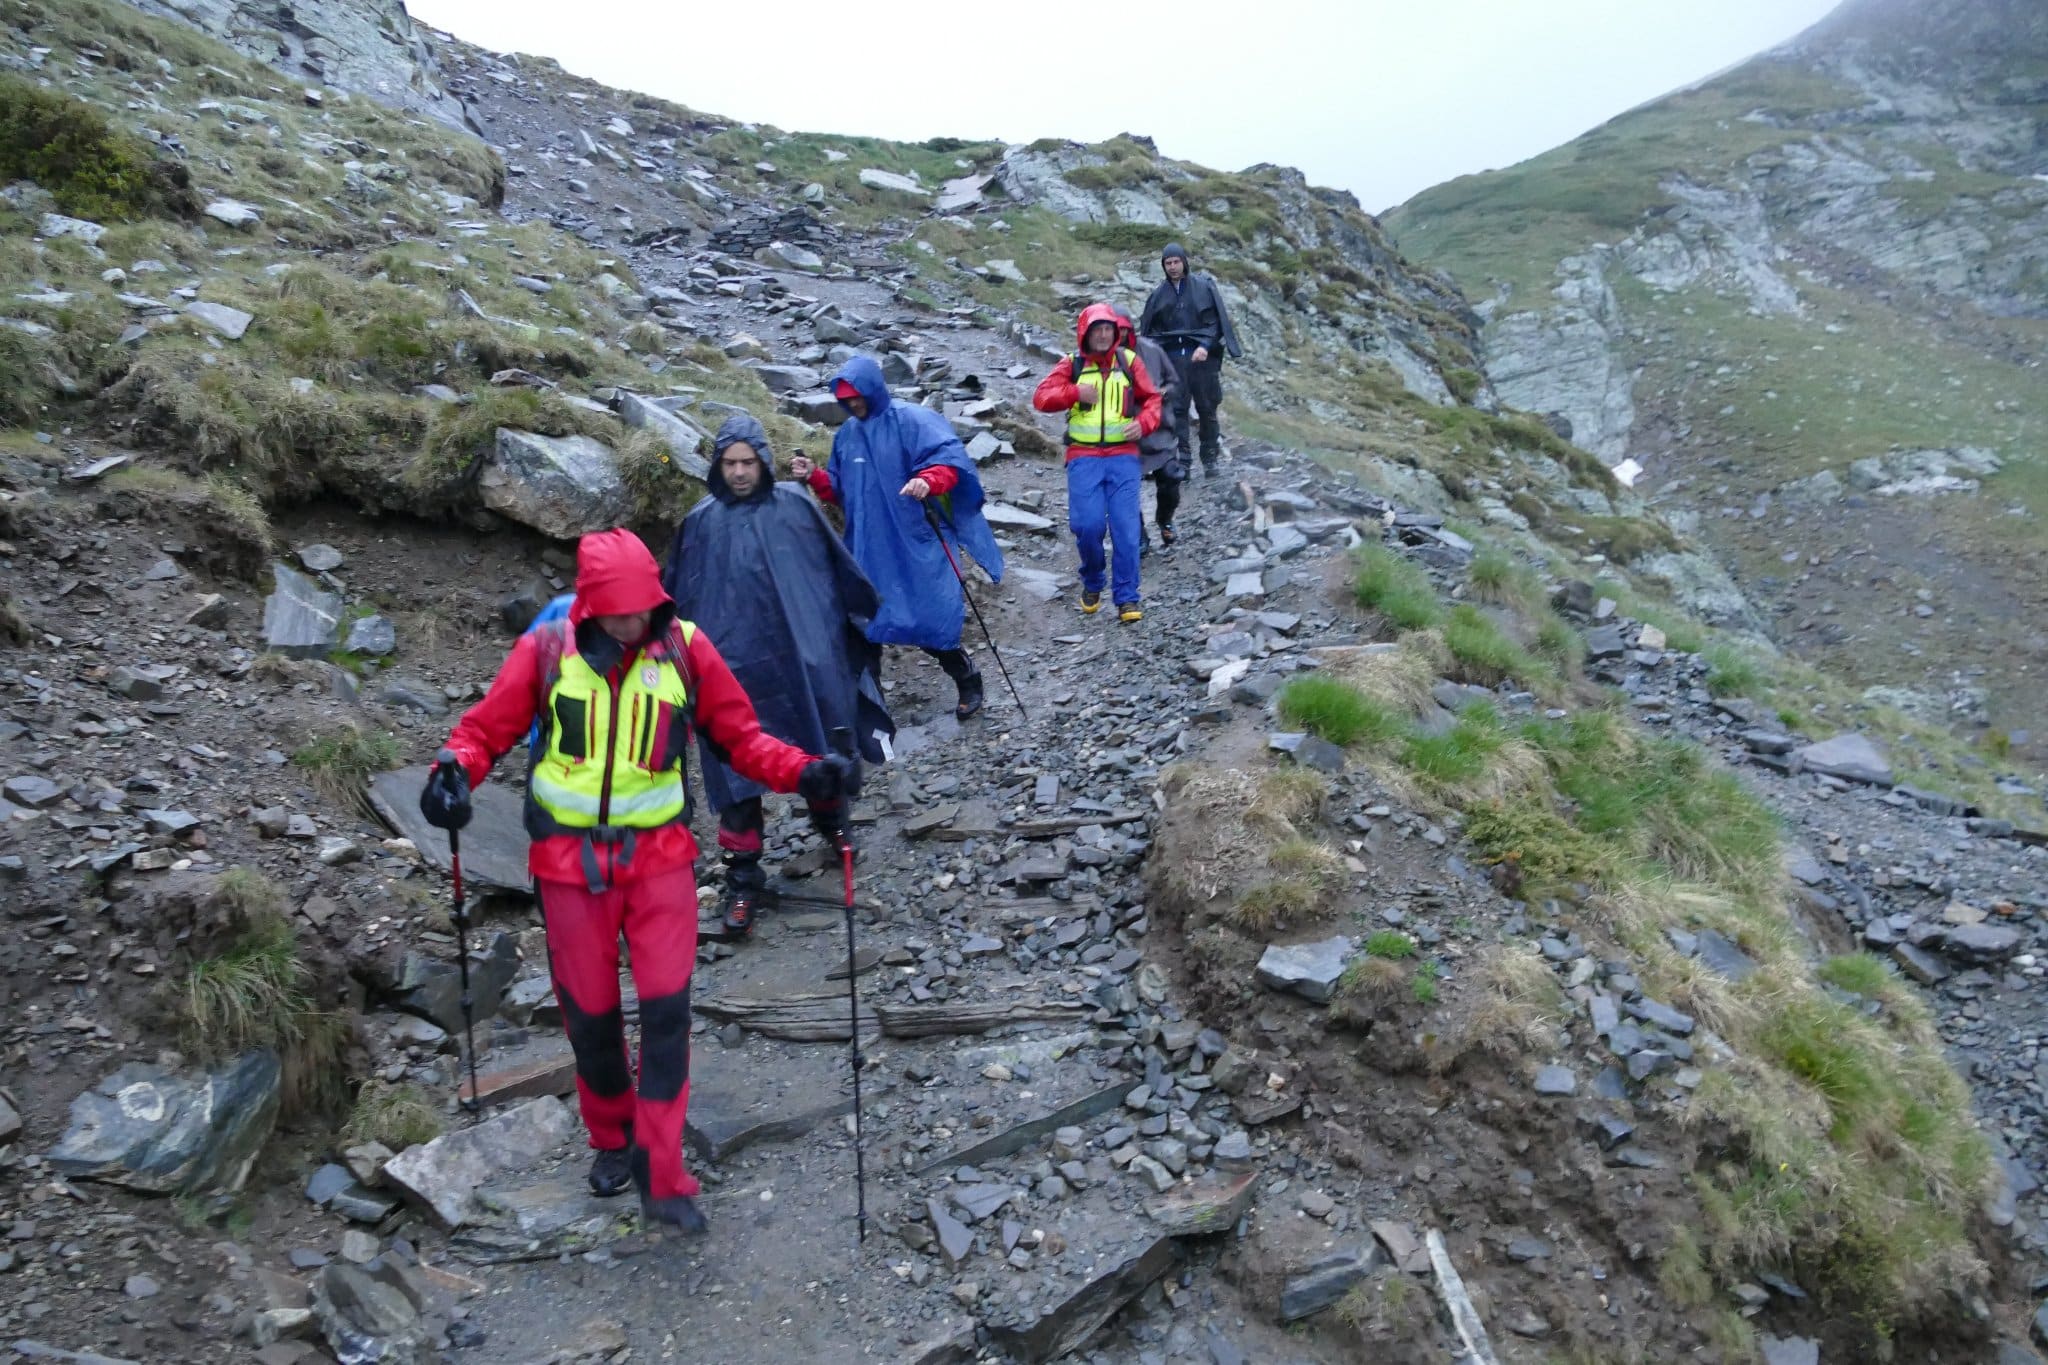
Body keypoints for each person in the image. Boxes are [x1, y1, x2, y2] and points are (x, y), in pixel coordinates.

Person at [417, 528, 857, 1235]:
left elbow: (741, 738)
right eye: (618, 612)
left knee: (665, 1016)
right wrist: (453, 772)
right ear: (589, 605)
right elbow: (484, 730)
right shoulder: (548, 650)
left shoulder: (684, 648)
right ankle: (611, 1135)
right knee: (590, 1018)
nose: (631, 624)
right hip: (567, 866)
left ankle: (664, 1170)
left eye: (641, 609)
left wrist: (806, 772)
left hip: (660, 863)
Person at [662, 412, 893, 938]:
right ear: (717, 465)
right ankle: (743, 878)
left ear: (763, 460)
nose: (739, 472)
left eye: (748, 462)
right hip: (730, 668)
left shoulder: (796, 504)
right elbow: (675, 595)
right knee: (734, 767)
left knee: (816, 740)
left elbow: (833, 571)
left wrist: (854, 623)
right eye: (730, 463)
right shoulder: (700, 522)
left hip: (801, 658)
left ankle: (834, 827)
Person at [789, 355, 1005, 720]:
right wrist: (813, 475)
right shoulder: (847, 436)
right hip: (868, 545)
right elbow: (840, 492)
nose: (853, 403)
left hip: (914, 539)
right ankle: (871, 709)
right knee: (865, 624)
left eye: (857, 395)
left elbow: (949, 462)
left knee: (926, 616)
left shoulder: (911, 420)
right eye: (845, 398)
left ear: (873, 389)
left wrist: (929, 480)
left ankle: (967, 679)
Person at [1031, 301, 1163, 623]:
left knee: (1127, 531)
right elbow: (1041, 398)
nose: (1103, 335)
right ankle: (1092, 580)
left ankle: (1127, 598)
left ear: (1115, 333)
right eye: (1097, 330)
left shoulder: (1129, 362)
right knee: (1087, 527)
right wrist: (1075, 392)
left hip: (1123, 458)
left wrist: (1144, 424)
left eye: (1108, 330)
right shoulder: (1072, 364)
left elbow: (1153, 401)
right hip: (1083, 457)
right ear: (1085, 334)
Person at [1138, 242, 1242, 477]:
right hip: (1174, 362)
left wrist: (1205, 345)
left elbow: (1215, 323)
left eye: (1176, 262)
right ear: (1163, 266)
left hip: (1202, 361)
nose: (1173, 267)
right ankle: (1183, 461)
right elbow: (1151, 334)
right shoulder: (1157, 296)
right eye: (1168, 263)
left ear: (1184, 261)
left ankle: (1210, 458)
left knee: (1207, 409)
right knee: (1177, 412)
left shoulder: (1203, 288)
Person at [1113, 307, 1185, 553]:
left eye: (1124, 329)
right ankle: (1138, 534)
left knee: (1171, 478)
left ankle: (1165, 519)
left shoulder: (1152, 350)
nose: (1120, 334)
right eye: (1115, 329)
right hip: (1122, 433)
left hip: (1158, 428)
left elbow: (1173, 381)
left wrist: (1161, 393)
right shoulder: (1099, 358)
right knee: (1125, 487)